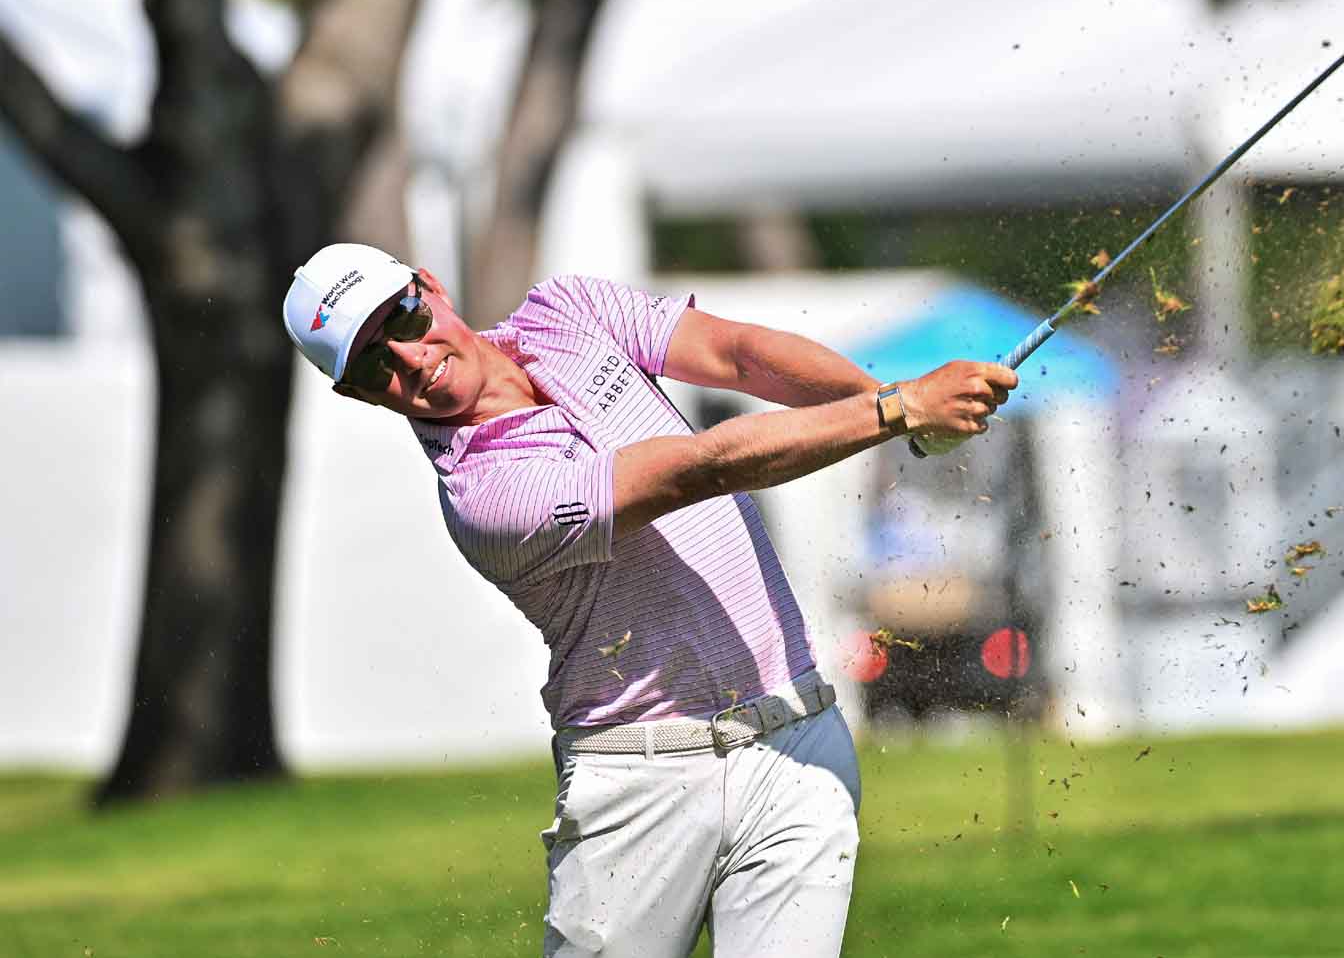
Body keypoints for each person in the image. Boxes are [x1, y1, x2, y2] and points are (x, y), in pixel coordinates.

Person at [281, 243, 1016, 958]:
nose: (410, 359)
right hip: (640, 786)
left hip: (796, 735)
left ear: (431, 288)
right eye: (374, 363)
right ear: (357, 393)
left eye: (404, 321)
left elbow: (738, 354)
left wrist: (896, 409)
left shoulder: (563, 309)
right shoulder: (486, 500)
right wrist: (900, 410)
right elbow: (698, 469)